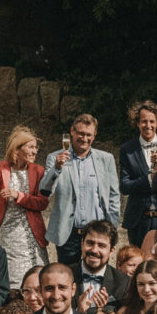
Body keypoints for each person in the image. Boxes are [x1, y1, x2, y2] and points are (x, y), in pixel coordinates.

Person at [44, 113, 121, 266]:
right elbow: (45, 190)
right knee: (67, 278)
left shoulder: (106, 159)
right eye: (80, 133)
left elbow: (113, 197)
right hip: (68, 234)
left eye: (88, 135)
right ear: (72, 131)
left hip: (97, 235)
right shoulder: (55, 158)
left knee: (95, 277)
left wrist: (111, 230)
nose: (84, 139)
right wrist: (57, 169)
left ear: (95, 135)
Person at [0, 126, 49, 283]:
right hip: (6, 232)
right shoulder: (3, 168)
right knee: (7, 276)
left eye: (36, 147)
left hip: (30, 233)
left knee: (36, 278)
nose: (35, 151)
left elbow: (42, 203)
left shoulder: (39, 171)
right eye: (30, 147)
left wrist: (19, 195)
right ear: (17, 150)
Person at [119, 100, 157, 247]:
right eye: (144, 121)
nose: (148, 126)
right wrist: (149, 179)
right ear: (137, 123)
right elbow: (125, 186)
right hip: (138, 219)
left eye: (152, 121)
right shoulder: (127, 149)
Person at [72, 220, 131, 309]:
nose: (94, 250)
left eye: (101, 245)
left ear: (111, 251)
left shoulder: (123, 283)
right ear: (82, 244)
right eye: (90, 243)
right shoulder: (64, 276)